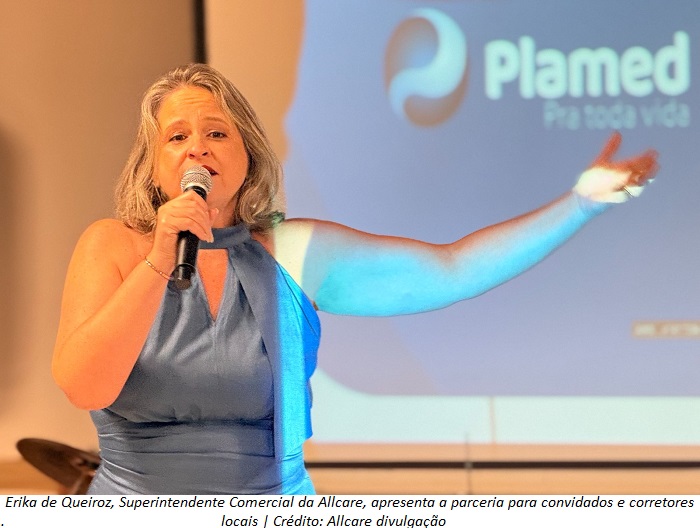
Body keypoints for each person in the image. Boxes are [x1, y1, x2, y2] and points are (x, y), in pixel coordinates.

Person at [52, 63, 658, 494]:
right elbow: (83, 386)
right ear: (153, 167)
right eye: (177, 137)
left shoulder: (293, 253)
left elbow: (453, 269)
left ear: (247, 154)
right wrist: (160, 260)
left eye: (216, 132)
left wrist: (578, 204)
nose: (197, 149)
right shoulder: (112, 245)